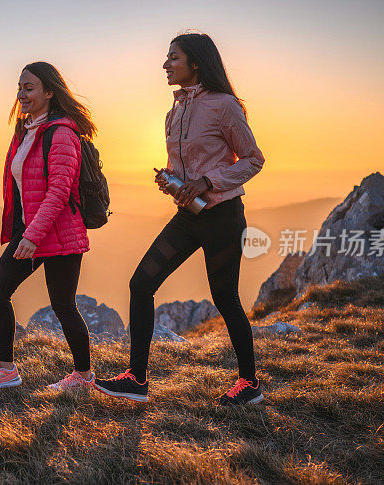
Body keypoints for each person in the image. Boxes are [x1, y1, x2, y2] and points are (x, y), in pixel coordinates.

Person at [94, 32, 266, 405]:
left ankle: (249, 384)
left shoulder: (224, 105)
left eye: (173, 57)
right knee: (141, 284)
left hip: (222, 216)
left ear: (196, 63)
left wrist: (206, 181)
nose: (165, 64)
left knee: (225, 298)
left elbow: (254, 159)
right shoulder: (173, 112)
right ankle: (137, 379)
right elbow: (185, 165)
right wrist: (172, 182)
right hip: (188, 216)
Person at [0, 62, 96, 394]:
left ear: (49, 92)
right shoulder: (24, 132)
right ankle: (6, 370)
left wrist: (30, 236)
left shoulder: (63, 133)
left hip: (59, 234)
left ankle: (83, 377)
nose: (21, 94)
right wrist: (20, 230)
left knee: (63, 305)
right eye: (19, 87)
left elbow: (58, 191)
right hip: (29, 231)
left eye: (29, 88)